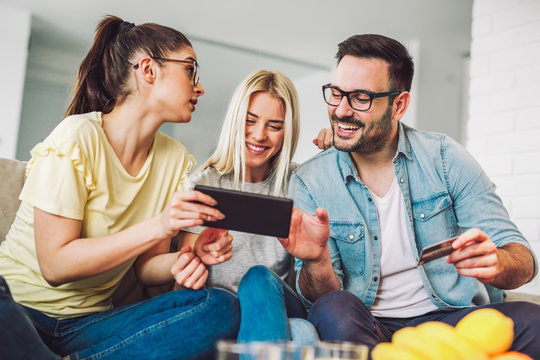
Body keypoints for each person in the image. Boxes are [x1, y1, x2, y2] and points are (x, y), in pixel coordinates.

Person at [0, 16, 240, 360]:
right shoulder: (77, 137)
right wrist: (159, 225)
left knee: (219, 306)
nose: (199, 87)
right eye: (190, 70)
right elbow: (55, 266)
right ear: (148, 70)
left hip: (89, 326)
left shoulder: (175, 160)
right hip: (20, 310)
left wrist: (187, 257)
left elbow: (147, 268)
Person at [289, 34, 540, 358]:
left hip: (452, 318)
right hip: (369, 323)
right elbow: (318, 297)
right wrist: (316, 261)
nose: (341, 110)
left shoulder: (445, 158)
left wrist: (497, 262)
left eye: (361, 98)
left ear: (399, 105)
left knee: (533, 321)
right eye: (336, 94)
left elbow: (523, 259)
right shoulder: (310, 180)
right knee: (333, 308)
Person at [178, 69, 325, 344]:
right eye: (250, 120)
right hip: (223, 311)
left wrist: (337, 150)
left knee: (258, 279)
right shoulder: (202, 184)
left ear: (287, 132)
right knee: (304, 334)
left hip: (278, 302)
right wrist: (197, 258)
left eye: (274, 126)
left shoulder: (300, 182)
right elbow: (184, 283)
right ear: (236, 120)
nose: (259, 135)